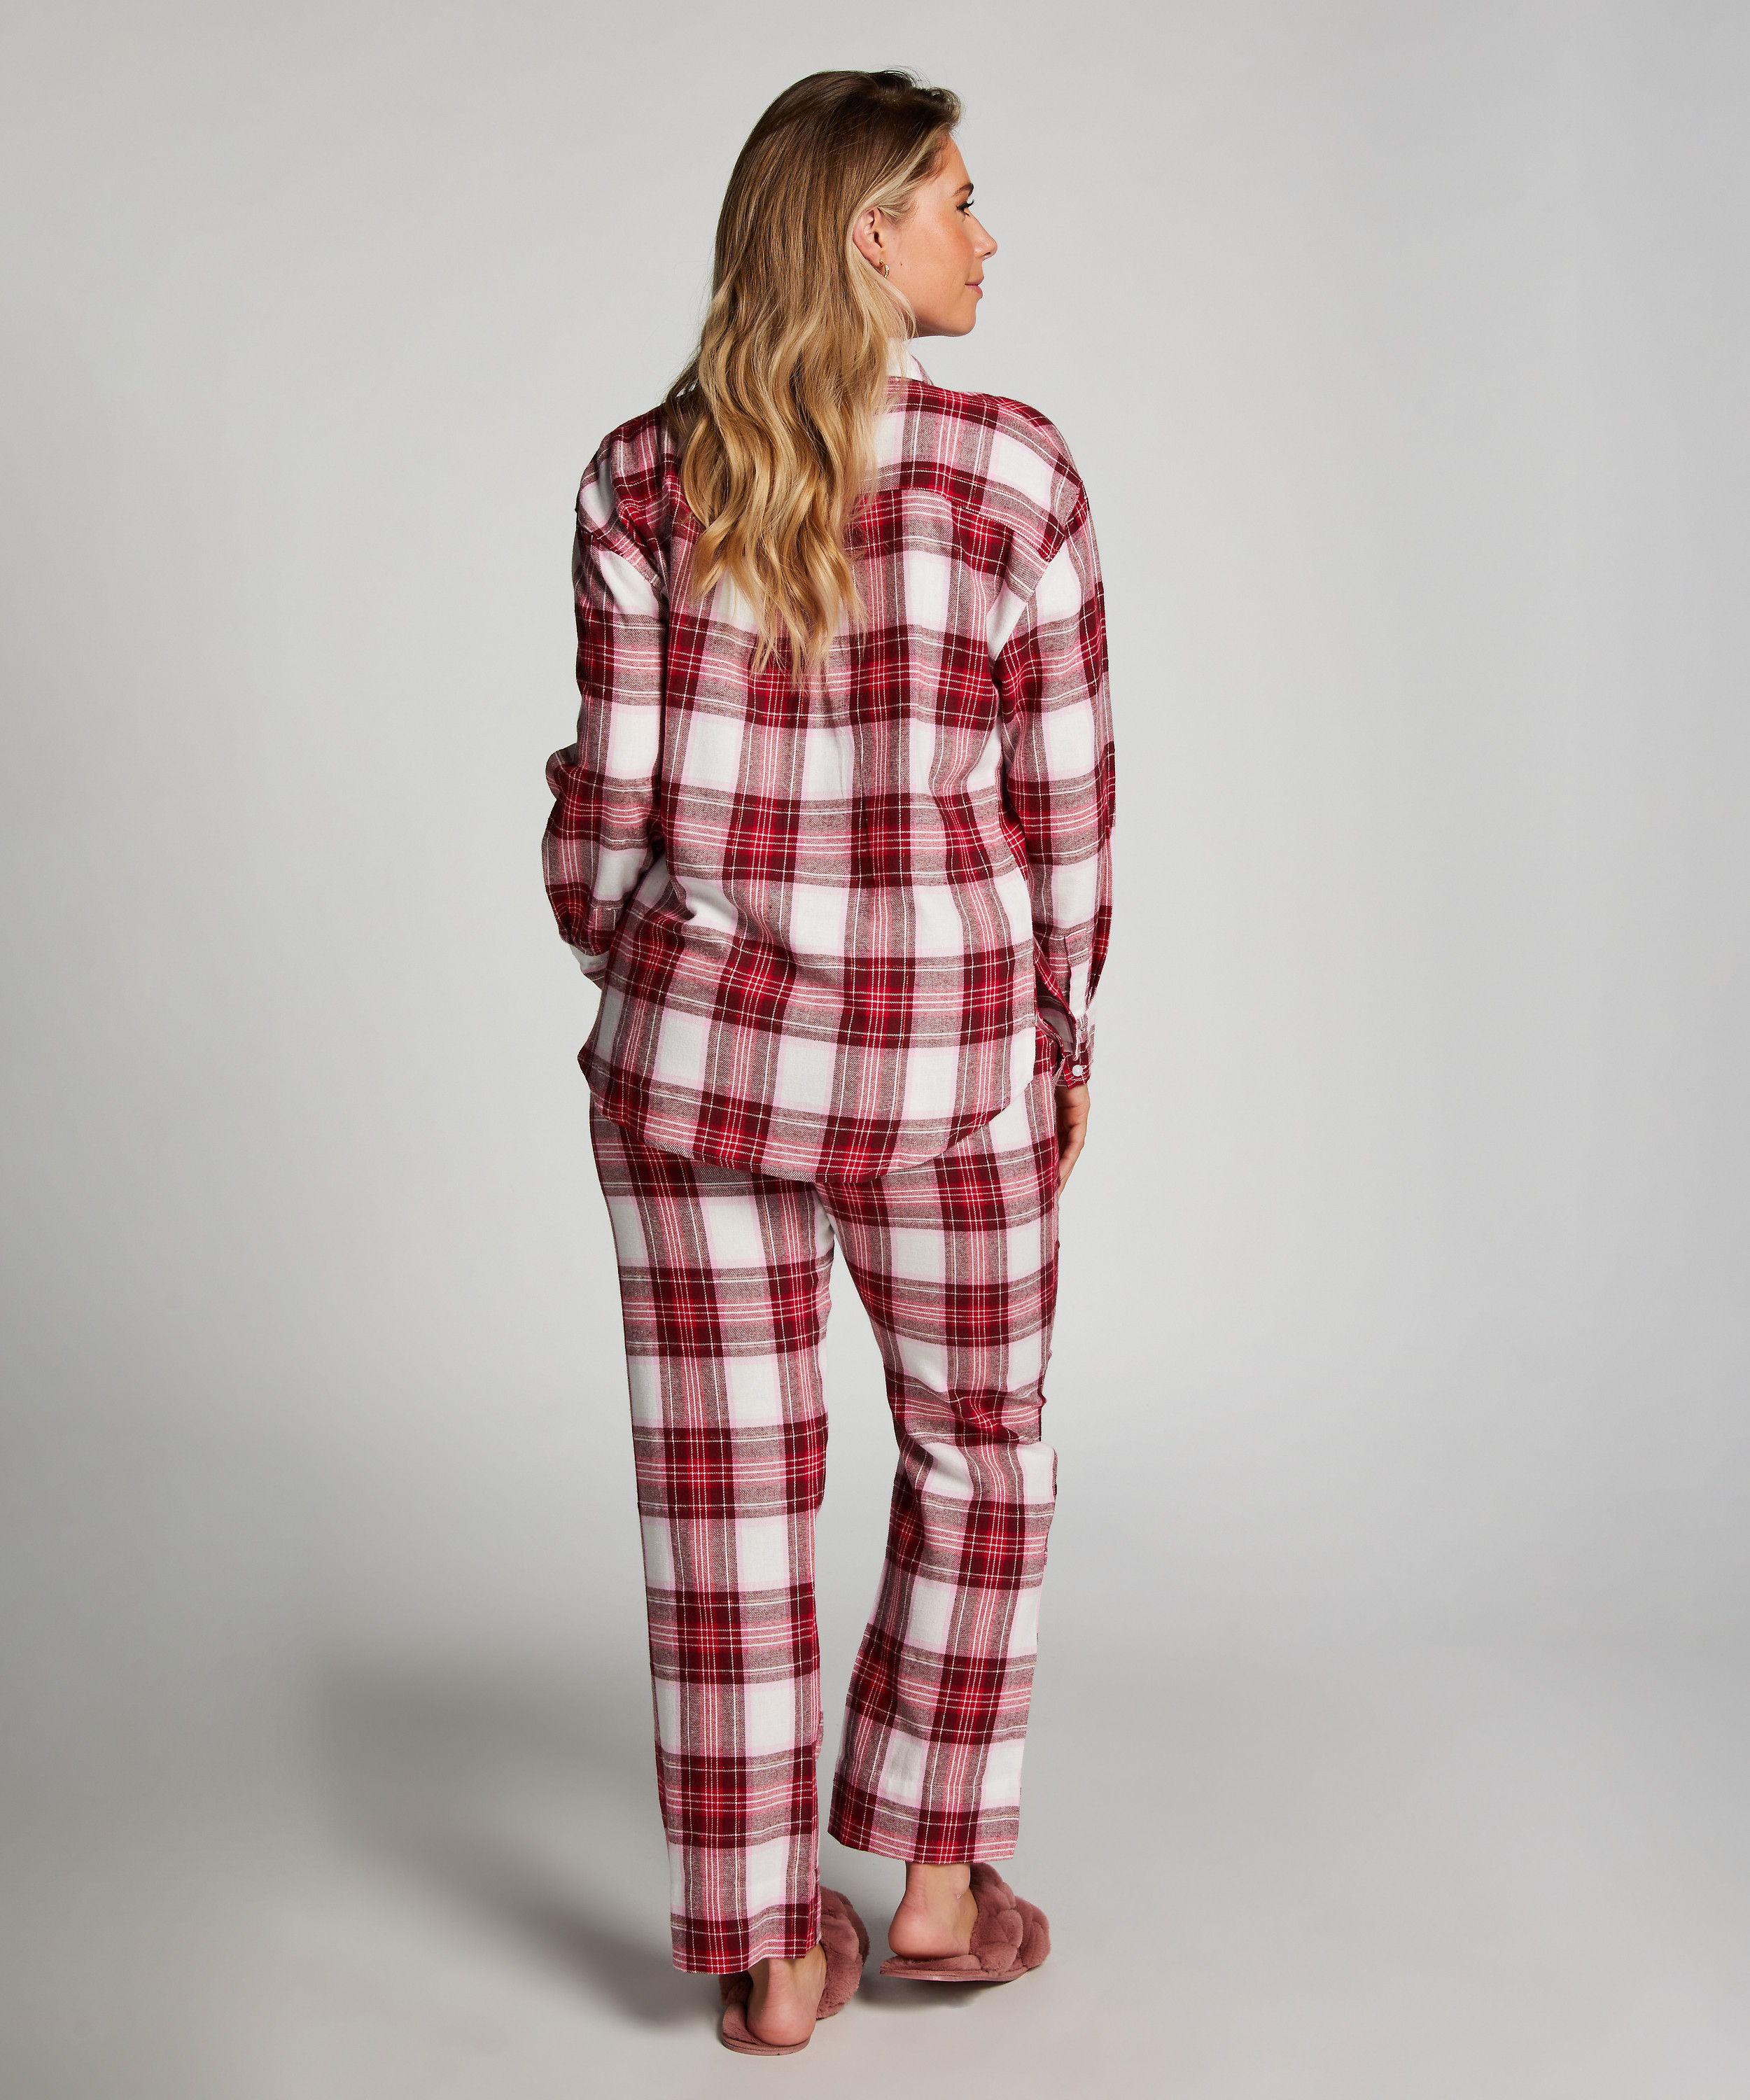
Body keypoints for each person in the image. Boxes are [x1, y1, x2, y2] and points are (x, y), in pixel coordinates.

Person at [542, 68, 1114, 2055]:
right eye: (954, 198)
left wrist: (633, 953)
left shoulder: (639, 479)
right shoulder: (1015, 474)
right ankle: (939, 1882)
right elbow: (1062, 804)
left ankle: (772, 1954)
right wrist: (1059, 1028)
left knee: (722, 1499)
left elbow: (613, 811)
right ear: (869, 234)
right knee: (982, 1450)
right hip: (948, 1058)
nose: (983, 233)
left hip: (698, 1064)